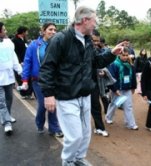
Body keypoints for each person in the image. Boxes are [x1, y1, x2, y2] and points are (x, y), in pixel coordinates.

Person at [39, 6, 125, 166]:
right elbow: (47, 68)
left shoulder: (87, 41)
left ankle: (78, 159)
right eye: (94, 21)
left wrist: (112, 53)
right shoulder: (60, 39)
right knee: (75, 136)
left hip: (85, 95)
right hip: (66, 97)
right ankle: (68, 161)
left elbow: (96, 62)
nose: (95, 25)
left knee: (85, 134)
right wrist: (48, 94)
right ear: (84, 20)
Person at [21, 22, 63, 137]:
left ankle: (53, 128)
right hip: (38, 80)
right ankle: (39, 123)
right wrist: (25, 80)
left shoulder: (57, 44)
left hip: (54, 80)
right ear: (44, 31)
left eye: (55, 30)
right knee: (43, 105)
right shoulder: (34, 45)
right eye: (50, 29)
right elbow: (27, 62)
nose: (53, 32)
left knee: (52, 104)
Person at [105, 47, 138, 130]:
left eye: (127, 55)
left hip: (127, 89)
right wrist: (115, 90)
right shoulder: (114, 64)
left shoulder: (130, 65)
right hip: (117, 90)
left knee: (128, 106)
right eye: (123, 55)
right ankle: (108, 117)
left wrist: (133, 87)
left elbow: (133, 77)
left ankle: (130, 123)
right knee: (114, 104)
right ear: (119, 55)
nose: (125, 57)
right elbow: (111, 78)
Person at [0, 22, 22, 135]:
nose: (6, 31)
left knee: (9, 98)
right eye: (4, 29)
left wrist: (20, 70)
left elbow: (14, 58)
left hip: (8, 77)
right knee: (1, 102)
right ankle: (7, 123)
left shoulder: (9, 42)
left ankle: (6, 116)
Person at [12, 26, 33, 100]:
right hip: (19, 63)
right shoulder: (14, 40)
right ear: (23, 32)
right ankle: (23, 94)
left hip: (26, 62)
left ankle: (29, 93)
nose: (27, 33)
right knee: (21, 79)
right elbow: (14, 53)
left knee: (29, 78)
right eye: (26, 31)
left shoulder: (24, 39)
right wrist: (19, 62)